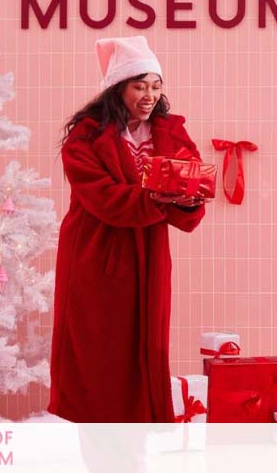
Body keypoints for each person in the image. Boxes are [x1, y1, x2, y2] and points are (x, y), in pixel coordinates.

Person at [49, 36, 208, 422]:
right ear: (117, 88)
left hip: (149, 255)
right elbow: (103, 198)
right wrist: (161, 198)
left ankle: (138, 445)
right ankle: (97, 445)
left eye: (156, 86)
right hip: (95, 254)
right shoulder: (85, 138)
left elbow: (191, 183)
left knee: (145, 348)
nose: (149, 95)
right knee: (98, 351)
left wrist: (189, 198)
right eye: (140, 85)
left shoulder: (169, 132)